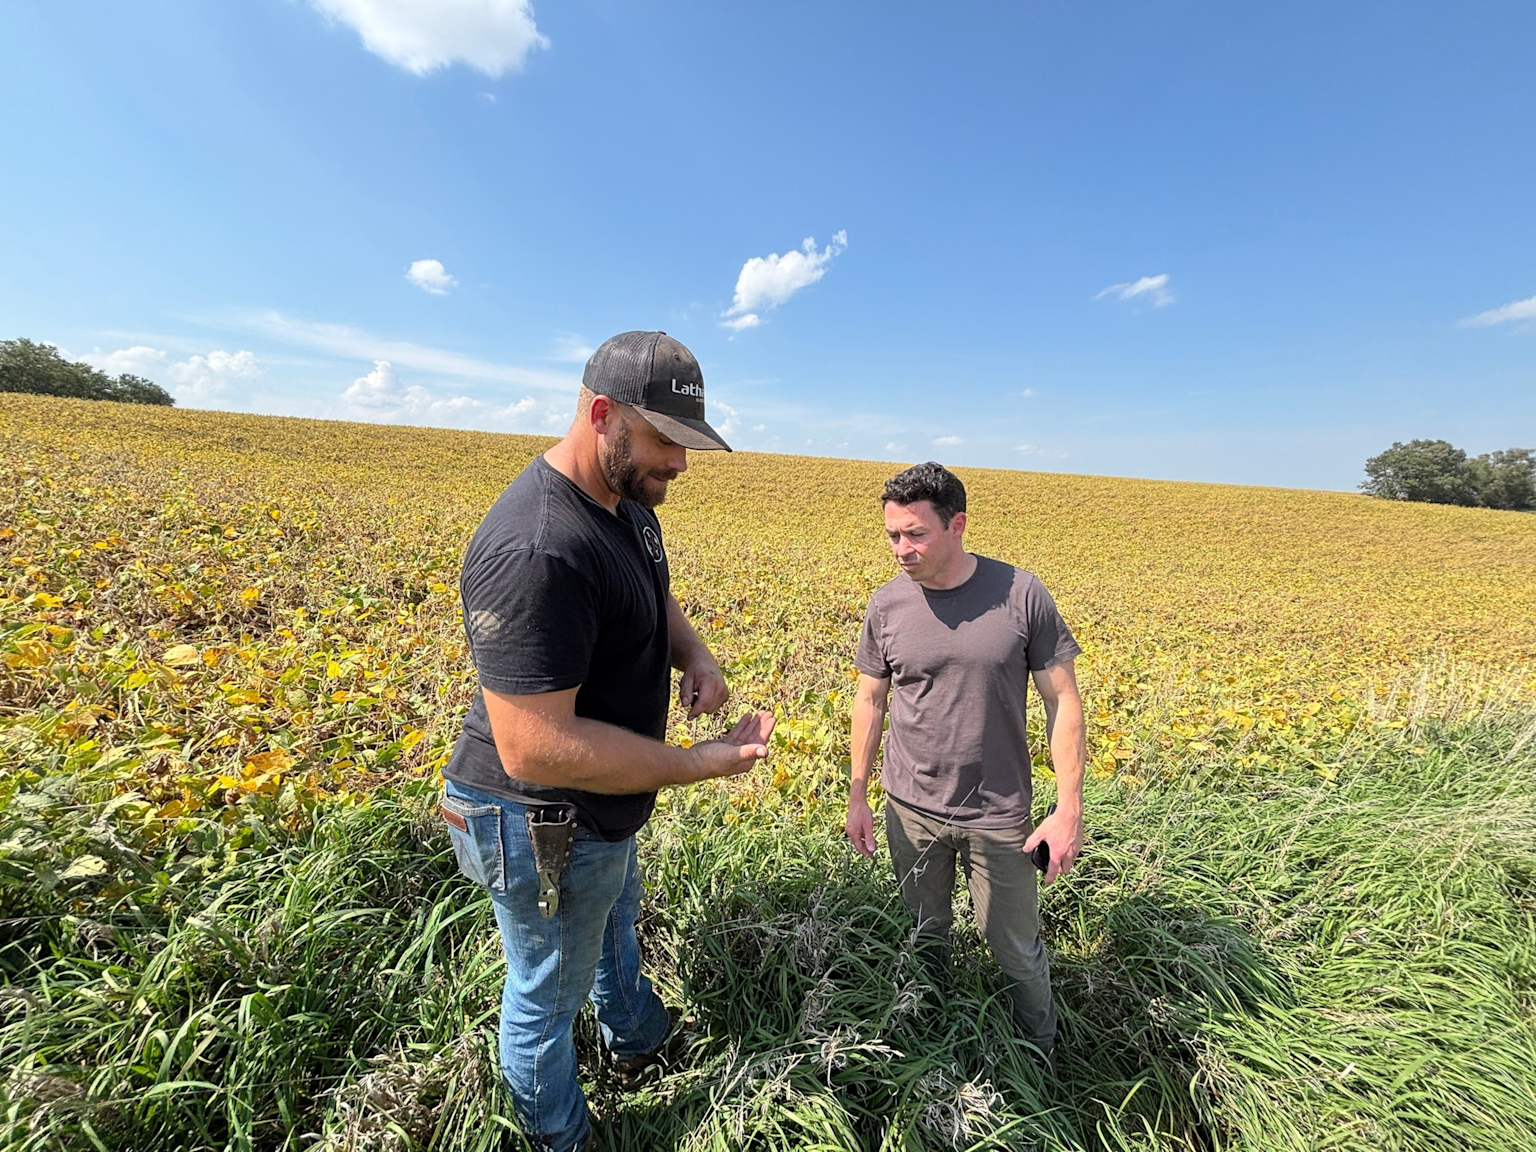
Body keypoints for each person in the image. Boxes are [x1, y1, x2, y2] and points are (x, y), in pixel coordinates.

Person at [440, 331, 775, 1152]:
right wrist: (698, 765)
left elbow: (650, 592)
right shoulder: (537, 547)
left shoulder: (619, 502)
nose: (682, 466)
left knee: (613, 918)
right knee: (544, 997)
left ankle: (636, 1039)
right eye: (667, 442)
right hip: (535, 819)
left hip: (597, 808)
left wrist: (692, 652)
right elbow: (533, 748)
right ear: (602, 416)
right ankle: (562, 1138)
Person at [843, 461, 1086, 1058]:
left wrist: (1068, 809)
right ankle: (930, 1048)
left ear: (958, 525)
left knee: (1013, 949)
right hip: (910, 810)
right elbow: (870, 701)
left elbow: (1064, 703)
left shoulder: (1021, 594)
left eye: (916, 534)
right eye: (893, 536)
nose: (902, 549)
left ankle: (1040, 1058)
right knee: (925, 937)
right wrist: (858, 796)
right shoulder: (887, 606)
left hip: (998, 814)